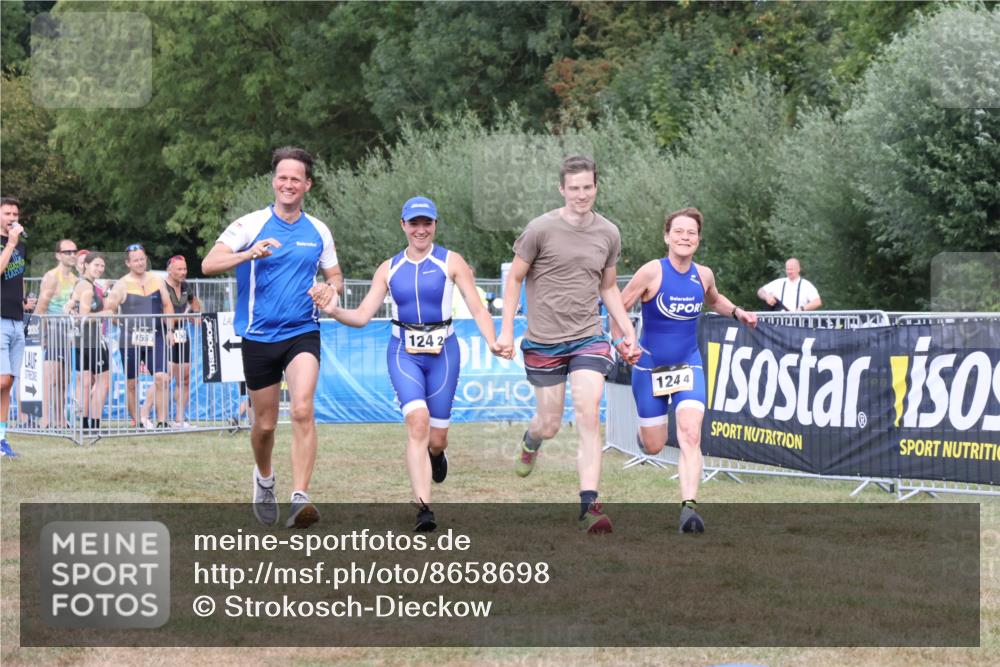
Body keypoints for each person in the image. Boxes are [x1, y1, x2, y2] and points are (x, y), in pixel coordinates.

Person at [321, 196, 499, 531]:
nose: (420, 229)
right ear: (403, 225)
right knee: (418, 422)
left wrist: (493, 341)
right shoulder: (388, 268)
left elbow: (477, 307)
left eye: (426, 223)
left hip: (444, 353)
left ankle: (436, 455)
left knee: (437, 438)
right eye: (414, 223)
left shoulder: (452, 261)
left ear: (435, 225)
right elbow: (361, 316)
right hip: (403, 353)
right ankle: (424, 508)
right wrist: (334, 311)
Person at [495, 156, 639, 534]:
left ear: (596, 187)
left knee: (589, 412)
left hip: (588, 337)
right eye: (574, 188)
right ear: (562, 189)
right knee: (550, 423)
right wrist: (506, 330)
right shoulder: (539, 229)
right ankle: (532, 439)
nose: (581, 194)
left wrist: (626, 330)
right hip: (544, 341)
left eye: (587, 187)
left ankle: (590, 506)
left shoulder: (608, 232)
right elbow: (514, 279)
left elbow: (609, 287)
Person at [202, 146, 341, 529]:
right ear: (274, 181)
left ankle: (300, 499)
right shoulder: (250, 225)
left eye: (296, 178)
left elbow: (335, 276)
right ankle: (264, 479)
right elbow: (209, 264)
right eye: (283, 177)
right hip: (259, 336)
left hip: (302, 331)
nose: (288, 184)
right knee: (264, 425)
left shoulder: (318, 231)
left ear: (308, 185)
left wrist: (330, 289)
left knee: (301, 409)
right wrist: (248, 254)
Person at [615, 207, 758, 533]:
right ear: (667, 237)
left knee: (691, 434)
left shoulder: (703, 275)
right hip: (650, 367)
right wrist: (620, 342)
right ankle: (644, 438)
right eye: (678, 231)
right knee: (654, 445)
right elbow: (618, 307)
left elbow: (714, 300)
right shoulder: (651, 272)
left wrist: (738, 313)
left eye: (691, 233)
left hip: (688, 364)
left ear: (698, 240)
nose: (685, 237)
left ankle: (689, 509)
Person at [103, 243, 174, 429]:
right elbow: (109, 310)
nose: (140, 263)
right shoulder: (121, 284)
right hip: (130, 339)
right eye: (136, 260)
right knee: (132, 383)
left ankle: (162, 421)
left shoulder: (157, 280)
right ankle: (137, 422)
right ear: (128, 263)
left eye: (142, 259)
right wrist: (121, 323)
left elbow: (167, 305)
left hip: (156, 335)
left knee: (161, 377)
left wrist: (170, 330)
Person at [36, 238, 79, 429]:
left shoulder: (75, 279)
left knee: (63, 380)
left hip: (69, 334)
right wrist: (41, 336)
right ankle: (44, 420)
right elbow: (41, 308)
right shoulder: (52, 277)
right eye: (67, 252)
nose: (72, 255)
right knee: (50, 378)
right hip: (53, 332)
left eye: (74, 251)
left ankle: (60, 419)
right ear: (58, 255)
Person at [69, 252, 112, 431]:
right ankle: (93, 423)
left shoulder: (82, 284)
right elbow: (85, 316)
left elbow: (68, 306)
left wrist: (70, 311)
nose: (100, 269)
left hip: (81, 340)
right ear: (86, 265)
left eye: (102, 266)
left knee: (86, 382)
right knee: (103, 381)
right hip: (91, 339)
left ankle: (86, 424)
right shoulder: (86, 286)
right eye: (96, 265)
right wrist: (105, 314)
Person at [1, 196, 27, 458]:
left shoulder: (20, 246)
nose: (12, 218)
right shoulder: (11, 243)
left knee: (8, 385)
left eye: (15, 214)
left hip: (16, 319)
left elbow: (16, 277)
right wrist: (9, 244)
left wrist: (24, 300)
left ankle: (1, 439)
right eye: (7, 213)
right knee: (2, 379)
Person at [164, 255, 201, 427]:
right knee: (164, 378)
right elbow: (165, 316)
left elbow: (195, 303)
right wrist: (184, 316)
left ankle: (180, 419)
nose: (183, 272)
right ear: (169, 270)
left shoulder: (186, 286)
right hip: (165, 334)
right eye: (179, 269)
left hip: (181, 334)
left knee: (185, 378)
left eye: (185, 269)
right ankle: (144, 415)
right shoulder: (162, 287)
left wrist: (194, 314)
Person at [757, 258, 822, 312]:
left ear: (798, 269)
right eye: (787, 269)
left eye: (791, 269)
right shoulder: (778, 283)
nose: (789, 272)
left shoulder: (806, 285)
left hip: (798, 320)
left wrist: (802, 309)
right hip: (779, 321)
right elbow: (760, 291)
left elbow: (817, 302)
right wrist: (767, 297)